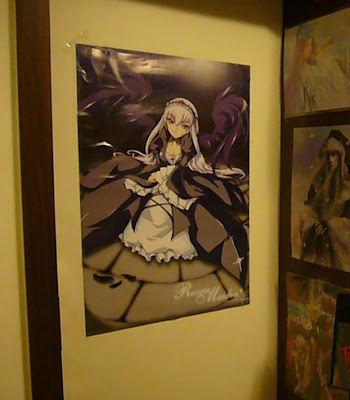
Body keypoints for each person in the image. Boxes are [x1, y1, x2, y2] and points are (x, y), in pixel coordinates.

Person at [80, 97, 249, 287]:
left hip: (177, 188)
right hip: (156, 187)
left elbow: (188, 171)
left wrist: (166, 177)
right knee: (130, 203)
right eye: (171, 121)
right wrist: (153, 175)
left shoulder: (189, 147)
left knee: (200, 220)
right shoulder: (160, 142)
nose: (176, 128)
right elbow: (153, 162)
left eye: (184, 125)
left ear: (191, 128)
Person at [297, 130, 350, 273]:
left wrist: (329, 226)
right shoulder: (318, 184)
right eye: (328, 155)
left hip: (337, 253)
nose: (330, 160)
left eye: (334, 155)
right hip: (318, 246)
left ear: (342, 156)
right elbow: (310, 209)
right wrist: (313, 224)